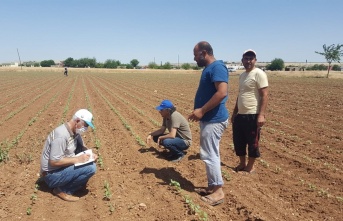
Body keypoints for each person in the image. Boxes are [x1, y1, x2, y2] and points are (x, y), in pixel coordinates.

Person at [189, 41, 229, 206]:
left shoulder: (217, 67)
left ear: (204, 53)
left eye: (195, 55)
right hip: (209, 119)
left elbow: (221, 93)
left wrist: (202, 110)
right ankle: (213, 186)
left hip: (213, 119)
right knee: (210, 153)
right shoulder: (209, 69)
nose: (194, 59)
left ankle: (218, 191)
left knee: (210, 154)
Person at [40, 109, 97, 202]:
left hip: (60, 169)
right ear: (78, 121)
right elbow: (54, 161)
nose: (86, 128)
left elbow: (83, 146)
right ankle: (63, 190)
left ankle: (74, 183)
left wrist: (91, 154)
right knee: (91, 168)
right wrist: (77, 159)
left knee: (88, 160)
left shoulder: (74, 131)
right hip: (51, 174)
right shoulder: (61, 135)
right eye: (85, 125)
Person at [231, 49, 269, 173]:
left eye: (251, 59)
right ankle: (242, 163)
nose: (248, 61)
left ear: (255, 61)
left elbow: (264, 95)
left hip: (253, 114)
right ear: (242, 60)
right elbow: (240, 95)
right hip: (241, 115)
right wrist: (235, 112)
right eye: (246, 58)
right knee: (239, 141)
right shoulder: (242, 75)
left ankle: (251, 166)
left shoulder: (259, 73)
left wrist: (261, 115)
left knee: (252, 142)